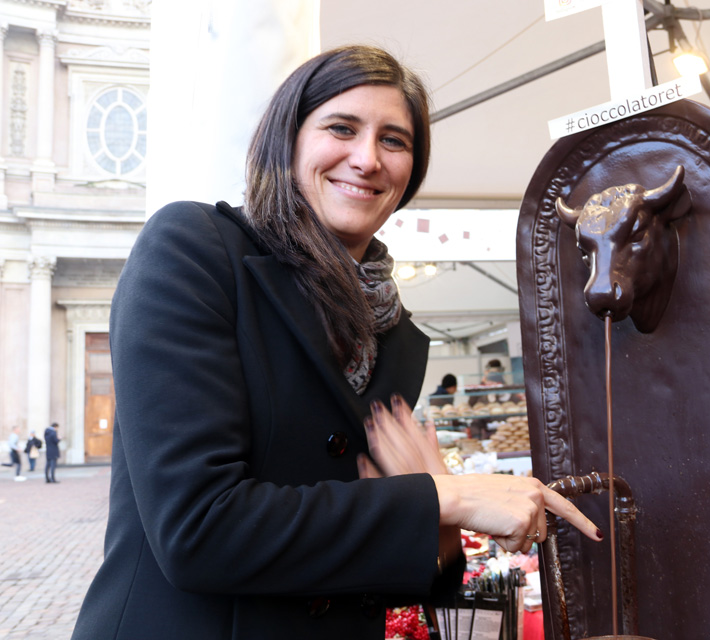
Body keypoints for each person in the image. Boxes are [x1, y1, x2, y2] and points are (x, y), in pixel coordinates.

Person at [71, 45, 600, 640]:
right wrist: (441, 497)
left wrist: (442, 536)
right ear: (287, 141)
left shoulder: (393, 331)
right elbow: (197, 529)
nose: (368, 159)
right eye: (341, 128)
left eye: (394, 141)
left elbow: (372, 568)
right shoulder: (194, 249)